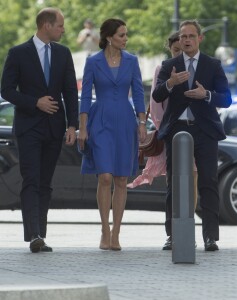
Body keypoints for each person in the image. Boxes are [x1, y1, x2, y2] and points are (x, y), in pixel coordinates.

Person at [0, 8, 78, 253]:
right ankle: (33, 234)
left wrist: (72, 125)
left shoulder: (64, 54)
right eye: (60, 25)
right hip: (28, 128)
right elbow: (7, 91)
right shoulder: (18, 53)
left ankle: (40, 234)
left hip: (54, 128)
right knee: (31, 179)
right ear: (46, 25)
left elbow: (70, 92)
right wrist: (35, 102)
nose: (63, 30)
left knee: (45, 183)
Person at [152, 20, 232, 251]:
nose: (185, 40)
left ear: (199, 38)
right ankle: (173, 235)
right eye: (182, 36)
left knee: (208, 181)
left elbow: (226, 98)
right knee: (174, 183)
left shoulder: (213, 64)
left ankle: (210, 237)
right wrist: (170, 83)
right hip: (177, 129)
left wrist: (206, 94)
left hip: (205, 130)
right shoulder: (170, 64)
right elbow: (157, 96)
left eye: (190, 36)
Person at [77, 18, 146, 251]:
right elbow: (85, 96)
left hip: (125, 121)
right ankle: (104, 229)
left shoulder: (132, 61)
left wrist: (142, 122)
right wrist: (83, 127)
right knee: (105, 176)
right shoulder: (93, 62)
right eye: (121, 35)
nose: (126, 39)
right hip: (100, 120)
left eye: (126, 35)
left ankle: (116, 231)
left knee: (121, 178)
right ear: (109, 37)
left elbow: (138, 93)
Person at [127, 32, 198, 250]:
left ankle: (189, 231)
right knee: (173, 184)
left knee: (192, 182)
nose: (180, 53)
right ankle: (172, 232)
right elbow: (157, 108)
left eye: (183, 49)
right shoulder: (164, 69)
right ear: (170, 49)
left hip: (194, 133)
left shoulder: (196, 67)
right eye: (176, 50)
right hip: (172, 134)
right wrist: (164, 130)